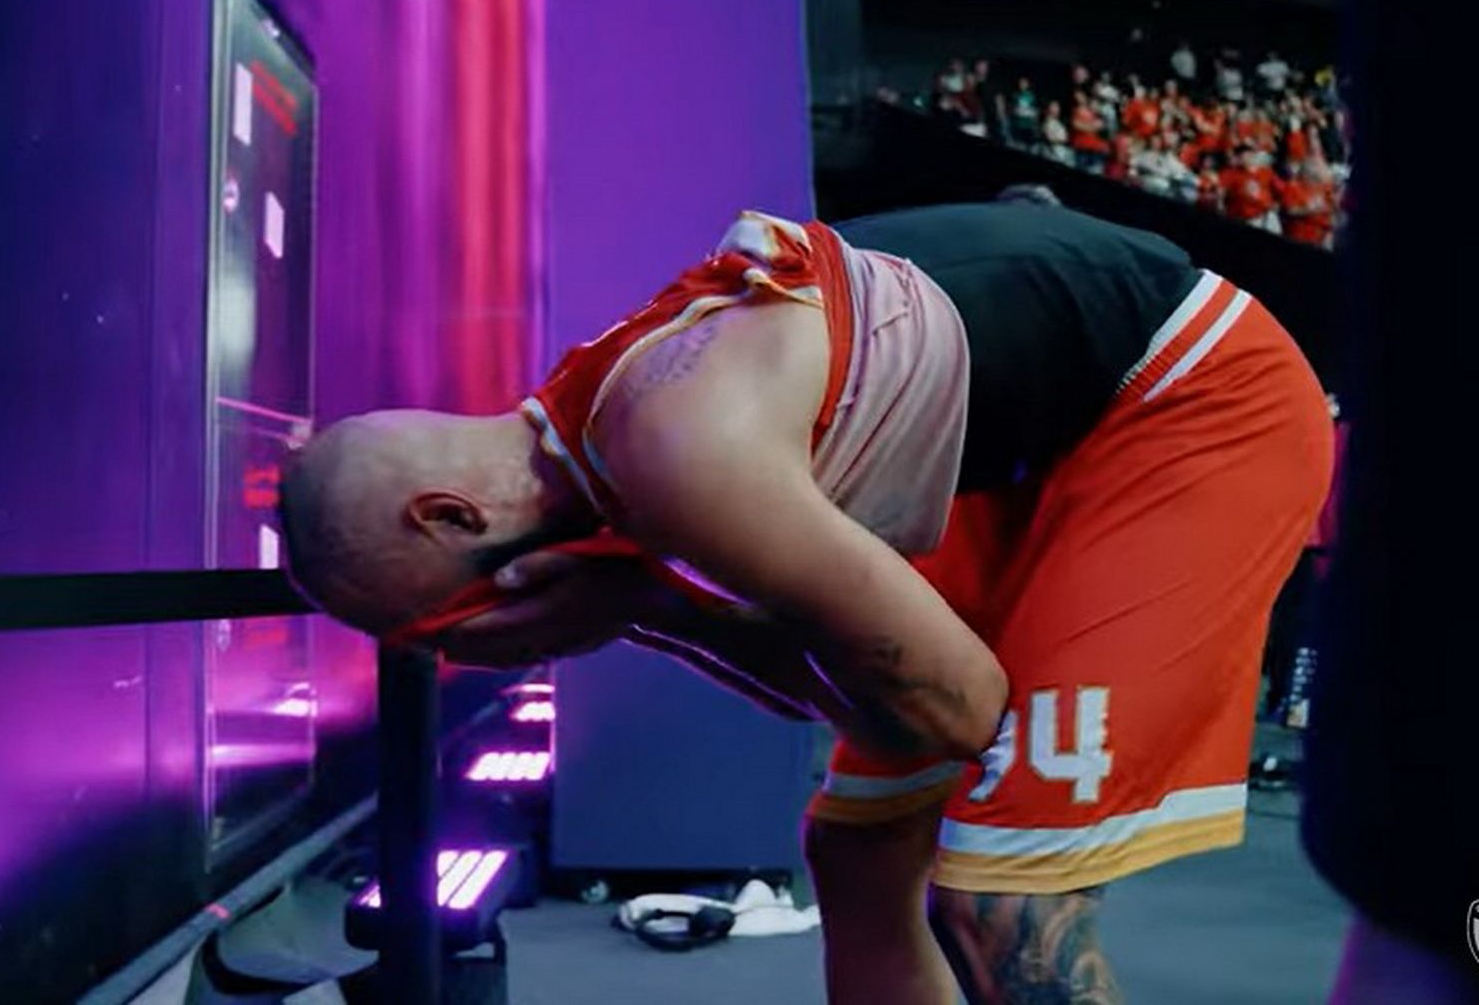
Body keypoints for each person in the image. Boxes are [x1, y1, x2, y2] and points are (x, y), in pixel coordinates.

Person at [280, 203, 1332, 1005]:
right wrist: (647, 606)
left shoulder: (678, 452)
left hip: (1180, 394)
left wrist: (659, 607)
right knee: (862, 851)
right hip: (1018, 443)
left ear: (449, 516)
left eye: (446, 626)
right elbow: (870, 702)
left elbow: (961, 711)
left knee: (1005, 901)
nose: (483, 650)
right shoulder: (598, 444)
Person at [1041, 100, 1074, 165]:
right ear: (1048, 109)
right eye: (1054, 107)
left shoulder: (1057, 122)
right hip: (1053, 152)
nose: (1057, 109)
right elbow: (1049, 138)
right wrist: (1063, 139)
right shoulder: (1048, 122)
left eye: (1057, 107)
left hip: (1061, 151)